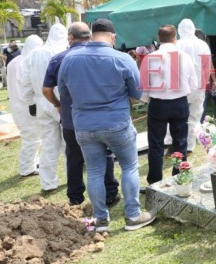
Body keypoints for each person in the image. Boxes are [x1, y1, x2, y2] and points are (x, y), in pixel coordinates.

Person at [58, 19, 155, 232]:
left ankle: (101, 219)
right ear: (113, 37)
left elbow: (64, 94)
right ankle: (132, 216)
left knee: (94, 171)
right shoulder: (121, 58)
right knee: (129, 166)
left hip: (83, 125)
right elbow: (138, 94)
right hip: (116, 123)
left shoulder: (69, 59)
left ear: (92, 35)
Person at [42, 22, 120, 207]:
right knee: (105, 154)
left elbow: (46, 89)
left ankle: (76, 198)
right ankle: (110, 193)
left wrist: (58, 104)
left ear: (70, 37)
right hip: (101, 117)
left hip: (71, 118)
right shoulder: (103, 55)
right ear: (90, 36)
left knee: (74, 158)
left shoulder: (59, 58)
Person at [141, 25, 198, 186]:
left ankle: (155, 181)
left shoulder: (150, 57)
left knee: (155, 144)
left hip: (158, 104)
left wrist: (149, 99)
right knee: (180, 142)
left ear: (159, 38)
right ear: (175, 38)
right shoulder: (184, 57)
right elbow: (193, 84)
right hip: (179, 102)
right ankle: (179, 178)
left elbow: (143, 84)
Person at [22, 24, 68, 192]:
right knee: (68, 144)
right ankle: (72, 177)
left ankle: (48, 183)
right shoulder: (62, 53)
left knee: (49, 145)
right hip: (59, 102)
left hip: (42, 102)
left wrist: (30, 102)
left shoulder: (34, 55)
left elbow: (26, 81)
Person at [175, 19, 216, 152]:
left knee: (179, 117)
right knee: (195, 117)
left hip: (182, 88)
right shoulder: (203, 44)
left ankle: (178, 143)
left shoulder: (177, 44)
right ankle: (190, 145)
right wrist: (210, 80)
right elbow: (207, 64)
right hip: (199, 86)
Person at [7, 35, 43, 177]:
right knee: (32, 138)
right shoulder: (27, 62)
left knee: (32, 137)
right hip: (26, 106)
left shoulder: (14, 62)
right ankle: (27, 168)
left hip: (16, 104)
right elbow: (27, 87)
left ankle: (34, 162)